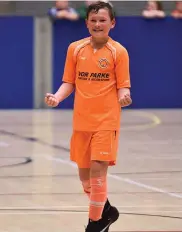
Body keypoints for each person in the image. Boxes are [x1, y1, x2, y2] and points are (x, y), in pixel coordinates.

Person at [45, 1, 132, 231]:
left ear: (112, 23)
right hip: (82, 122)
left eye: (102, 20)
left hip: (106, 121)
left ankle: (94, 224)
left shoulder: (118, 52)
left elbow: (124, 86)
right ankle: (107, 211)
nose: (97, 24)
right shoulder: (75, 48)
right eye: (93, 20)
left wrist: (125, 95)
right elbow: (69, 82)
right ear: (86, 23)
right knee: (85, 178)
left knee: (97, 170)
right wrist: (57, 97)